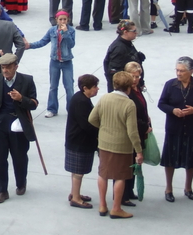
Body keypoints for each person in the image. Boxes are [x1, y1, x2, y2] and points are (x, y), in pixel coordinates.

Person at [88, 71, 143, 218]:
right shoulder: (129, 104)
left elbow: (92, 118)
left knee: (103, 173)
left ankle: (102, 205)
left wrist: (104, 128)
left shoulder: (105, 98)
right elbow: (132, 131)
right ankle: (116, 208)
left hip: (104, 143)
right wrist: (139, 151)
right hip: (122, 146)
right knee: (120, 176)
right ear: (129, 86)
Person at [0, 54, 38, 203]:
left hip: (18, 124)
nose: (5, 71)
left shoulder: (27, 80)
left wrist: (21, 99)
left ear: (16, 66)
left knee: (19, 156)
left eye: (8, 67)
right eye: (3, 67)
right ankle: (2, 190)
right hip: (0, 123)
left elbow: (34, 103)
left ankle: (21, 183)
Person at [158, 56, 193, 202]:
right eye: (177, 70)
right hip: (174, 128)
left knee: (190, 160)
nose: (178, 74)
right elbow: (161, 103)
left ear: (191, 71)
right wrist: (173, 111)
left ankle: (188, 188)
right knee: (170, 160)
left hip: (192, 129)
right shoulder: (170, 85)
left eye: (182, 71)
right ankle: (169, 188)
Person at [24, 10, 75, 118]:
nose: (62, 21)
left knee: (69, 87)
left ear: (68, 20)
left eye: (64, 19)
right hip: (55, 62)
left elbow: (71, 45)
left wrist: (65, 33)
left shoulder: (71, 31)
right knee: (53, 86)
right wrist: (30, 45)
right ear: (56, 20)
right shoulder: (52, 31)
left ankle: (72, 110)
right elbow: (43, 41)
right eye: (60, 19)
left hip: (67, 62)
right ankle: (52, 109)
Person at [64, 74, 100, 209]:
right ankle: (76, 198)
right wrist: (99, 134)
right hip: (79, 141)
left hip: (75, 140)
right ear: (85, 88)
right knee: (78, 171)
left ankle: (74, 193)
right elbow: (86, 125)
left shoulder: (81, 98)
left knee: (76, 171)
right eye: (95, 87)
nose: (97, 89)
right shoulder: (82, 102)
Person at [124, 61, 150, 204]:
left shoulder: (137, 88)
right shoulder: (127, 92)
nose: (136, 79)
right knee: (129, 163)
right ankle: (124, 195)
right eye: (133, 76)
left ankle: (129, 190)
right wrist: (145, 126)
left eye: (138, 76)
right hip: (132, 133)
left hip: (141, 129)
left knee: (135, 163)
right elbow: (131, 117)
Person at [103, 20, 145, 92]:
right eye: (134, 31)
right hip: (124, 89)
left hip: (130, 85)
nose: (136, 33)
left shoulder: (127, 43)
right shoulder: (119, 48)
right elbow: (114, 73)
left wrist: (137, 58)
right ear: (125, 32)